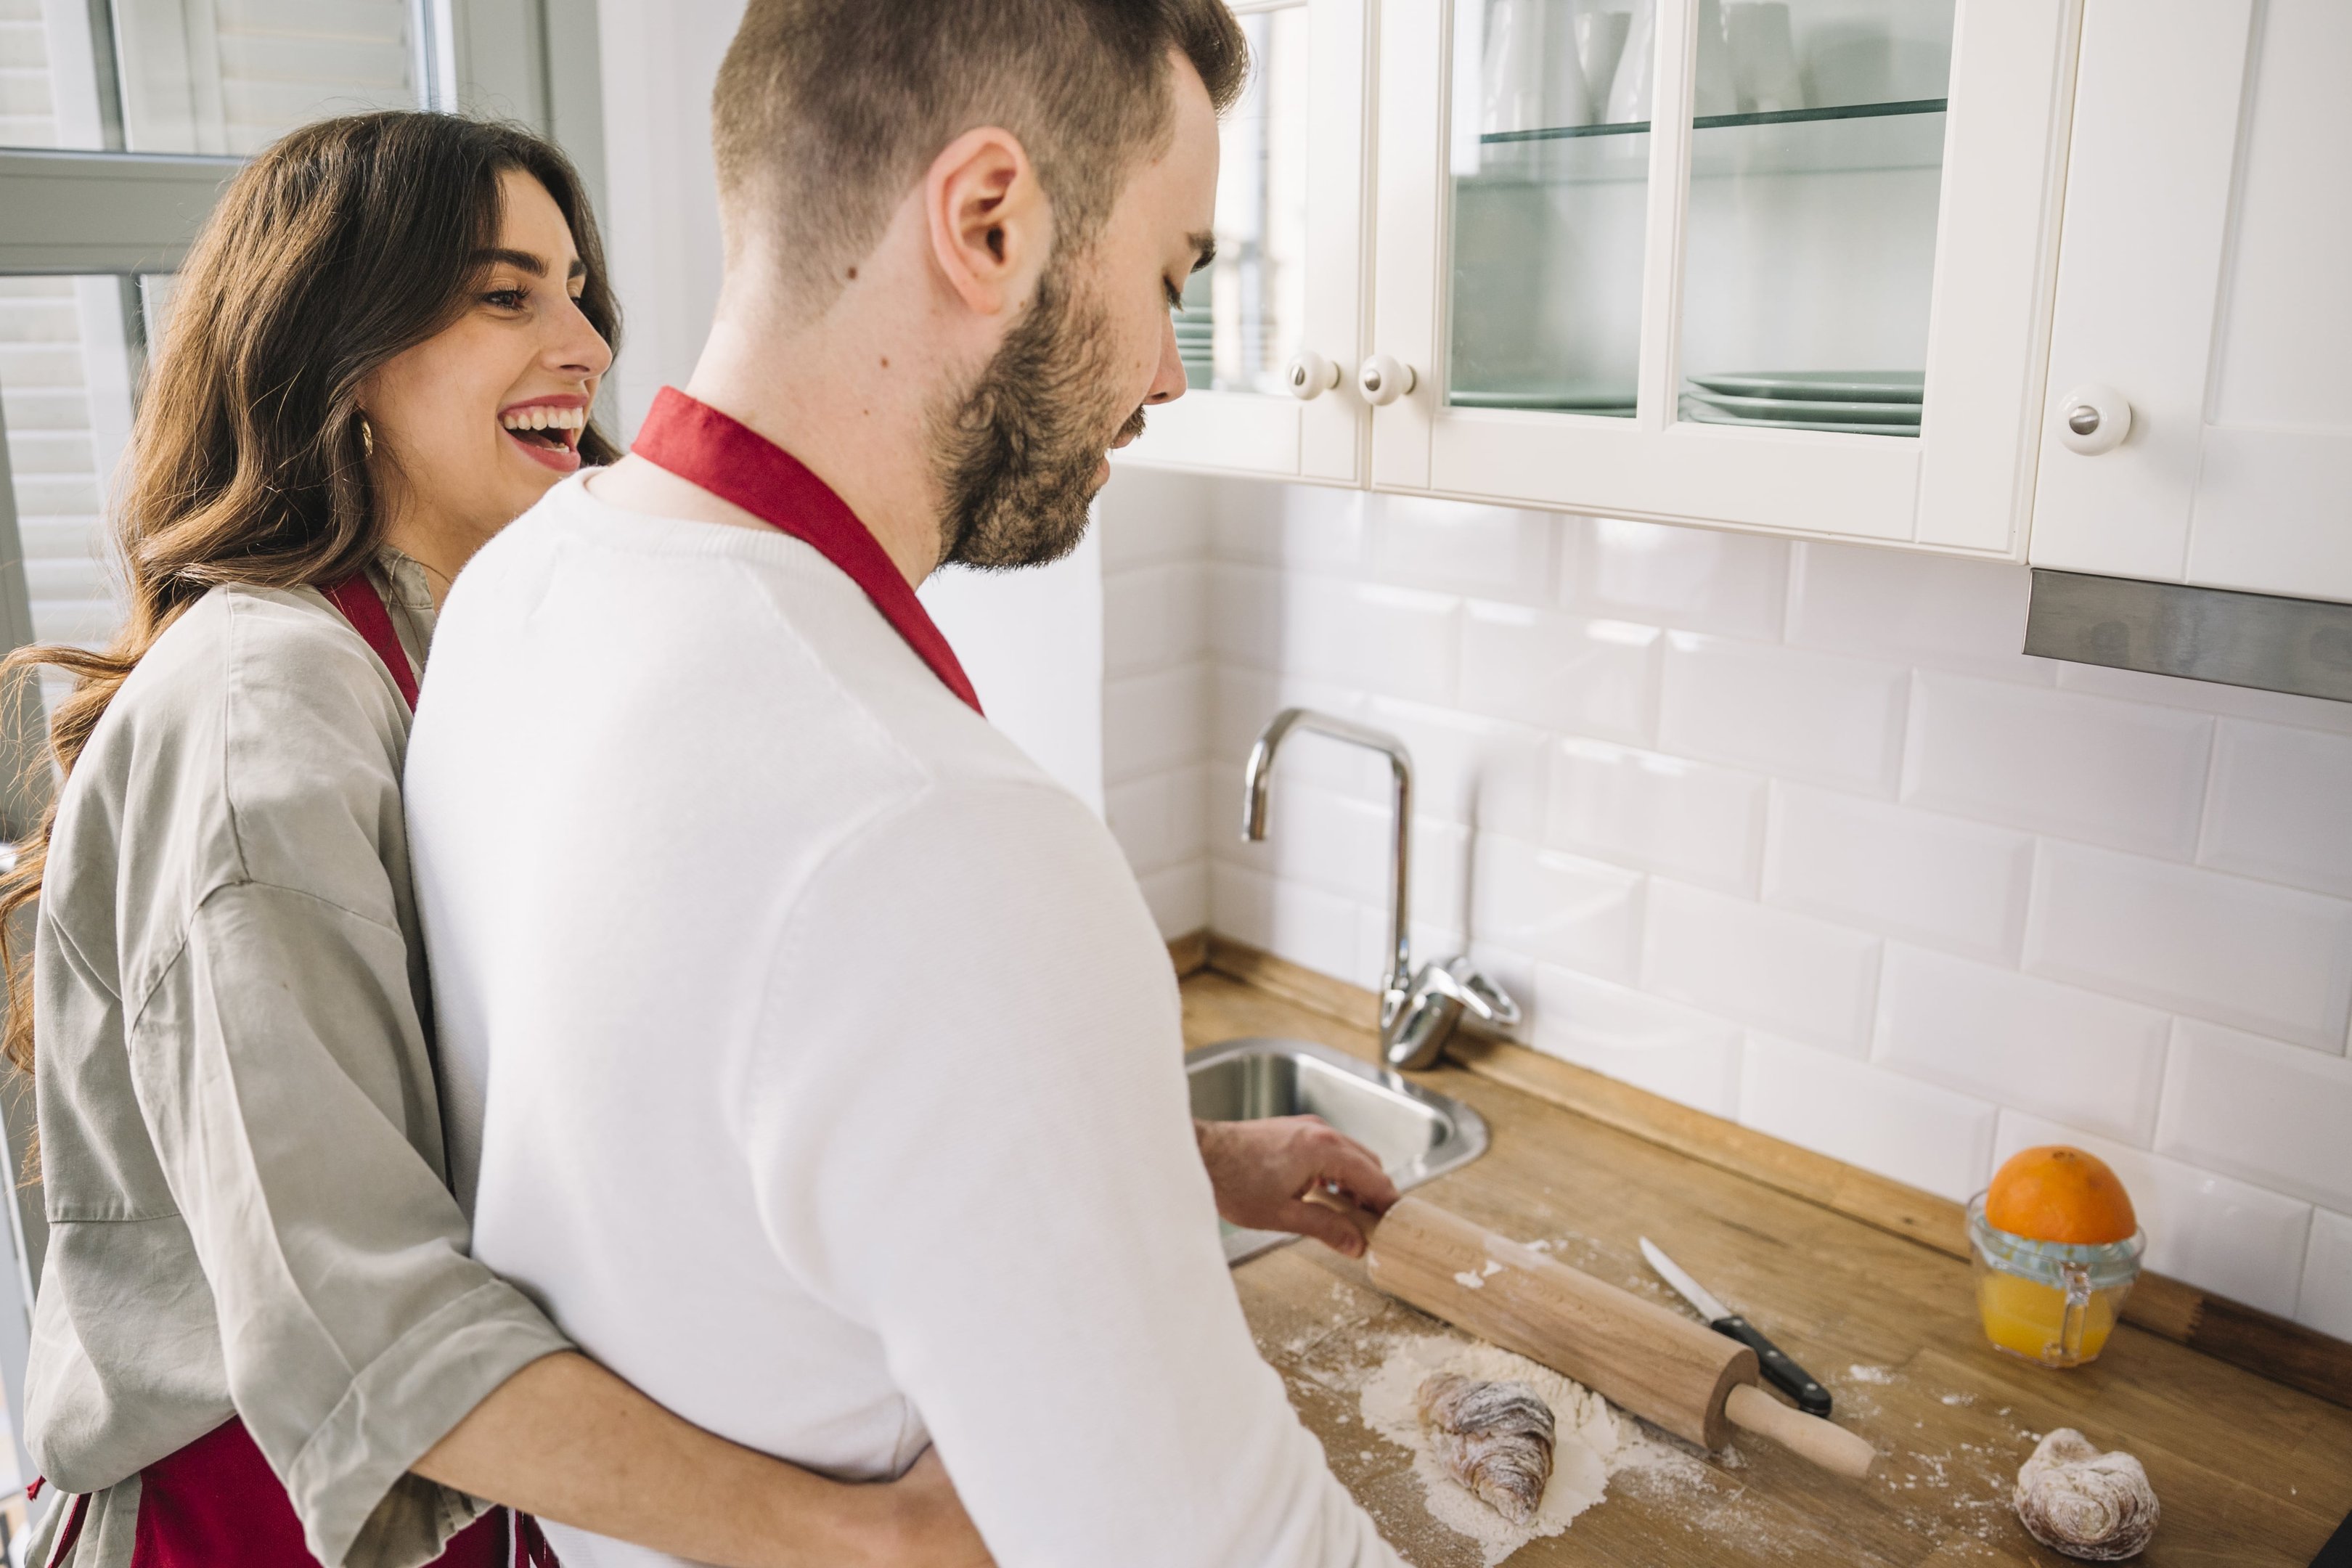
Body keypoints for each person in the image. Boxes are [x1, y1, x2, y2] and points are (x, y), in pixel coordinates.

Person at [404, 4, 1409, 1565]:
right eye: (1166, 280)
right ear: (988, 222)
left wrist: (1153, 1157)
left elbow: (698, 1145)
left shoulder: (523, 588)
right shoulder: (938, 836)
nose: (1167, 374)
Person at [0, 112, 992, 1568]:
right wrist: (874, 1540)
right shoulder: (258, 716)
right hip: (240, 1527)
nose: (587, 343)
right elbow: (367, 1337)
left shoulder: (477, 655)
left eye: (580, 290)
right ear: (343, 352)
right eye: (506, 294)